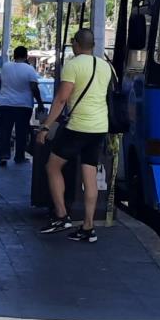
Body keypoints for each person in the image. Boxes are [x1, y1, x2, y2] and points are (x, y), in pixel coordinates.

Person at [35, 29, 111, 243]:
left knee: (52, 166)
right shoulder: (105, 66)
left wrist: (46, 126)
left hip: (78, 126)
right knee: (90, 175)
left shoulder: (73, 65)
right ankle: (88, 227)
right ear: (93, 45)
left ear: (76, 44)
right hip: (99, 127)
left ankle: (61, 216)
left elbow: (60, 100)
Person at [0, 46, 44, 166]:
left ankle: (4, 155)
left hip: (5, 103)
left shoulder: (6, 67)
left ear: (14, 55)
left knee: (4, 131)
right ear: (26, 55)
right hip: (23, 105)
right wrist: (39, 102)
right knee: (21, 132)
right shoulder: (29, 69)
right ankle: (19, 156)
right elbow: (34, 87)